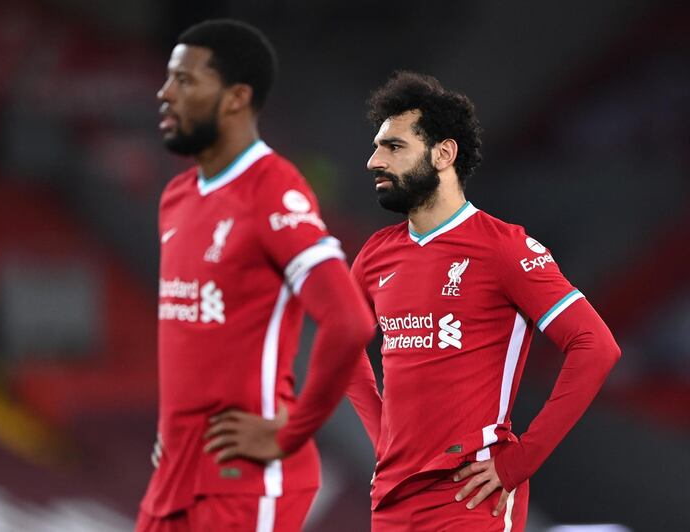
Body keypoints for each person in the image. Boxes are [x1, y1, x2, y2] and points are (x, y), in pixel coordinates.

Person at [345, 72, 621, 531]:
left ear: (443, 153)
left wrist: (520, 463)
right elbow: (340, 346)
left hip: (471, 496)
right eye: (377, 146)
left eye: (393, 147)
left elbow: (596, 346)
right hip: (392, 498)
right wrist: (382, 438)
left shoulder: (503, 248)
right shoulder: (375, 254)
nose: (374, 161)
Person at [137, 19, 375, 532]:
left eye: (184, 81)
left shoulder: (272, 190)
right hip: (177, 475)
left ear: (235, 97)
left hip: (245, 481)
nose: (164, 93)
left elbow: (350, 320)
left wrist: (291, 432)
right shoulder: (177, 197)